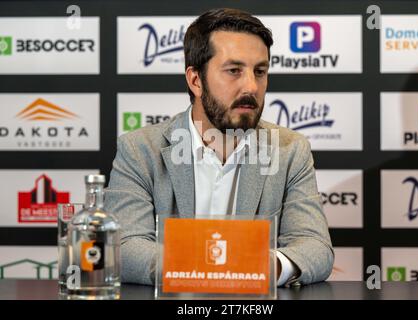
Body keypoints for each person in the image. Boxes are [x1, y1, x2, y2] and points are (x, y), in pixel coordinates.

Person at [105, 8, 333, 287]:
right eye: (234, 71)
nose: (251, 86)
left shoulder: (289, 150)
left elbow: (314, 247)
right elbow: (125, 248)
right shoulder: (139, 150)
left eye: (260, 71)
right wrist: (226, 268)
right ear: (196, 80)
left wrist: (266, 266)